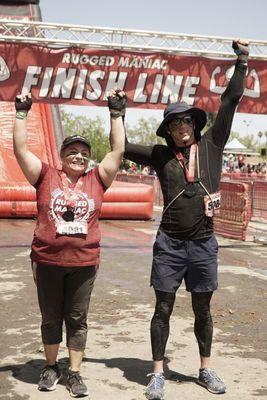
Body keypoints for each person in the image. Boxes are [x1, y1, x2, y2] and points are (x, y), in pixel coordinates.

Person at [122, 39, 249, 398]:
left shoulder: (212, 145)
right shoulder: (162, 156)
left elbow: (231, 100)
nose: (182, 126)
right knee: (162, 307)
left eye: (186, 121)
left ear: (194, 124)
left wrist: (241, 62)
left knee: (203, 311)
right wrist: (117, 113)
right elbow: (122, 146)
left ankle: (206, 370)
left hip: (204, 244)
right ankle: (158, 374)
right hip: (169, 244)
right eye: (175, 122)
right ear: (169, 129)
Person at [13, 89, 125, 397]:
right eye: (72, 151)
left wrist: (116, 114)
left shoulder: (97, 179)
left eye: (83, 152)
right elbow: (21, 150)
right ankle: (51, 367)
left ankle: (74, 373)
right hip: (47, 259)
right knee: (50, 317)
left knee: (77, 318)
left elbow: (117, 152)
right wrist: (21, 113)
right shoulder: (45, 175)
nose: (79, 155)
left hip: (83, 263)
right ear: (62, 156)